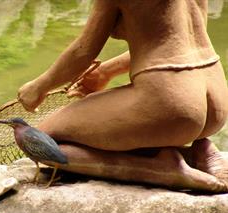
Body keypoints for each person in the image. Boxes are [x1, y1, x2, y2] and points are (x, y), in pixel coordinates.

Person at [17, 0, 228, 192]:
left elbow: (83, 52)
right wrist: (105, 71)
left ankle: (160, 167)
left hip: (173, 107)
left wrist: (38, 88)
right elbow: (177, 40)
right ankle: (199, 151)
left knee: (38, 139)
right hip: (217, 100)